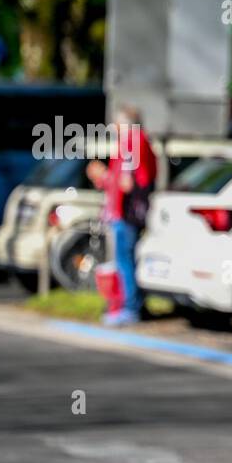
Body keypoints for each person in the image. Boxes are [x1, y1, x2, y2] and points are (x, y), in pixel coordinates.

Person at [86, 105, 157, 326]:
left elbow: (126, 183)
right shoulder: (137, 142)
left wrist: (103, 176)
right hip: (127, 212)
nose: (114, 127)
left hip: (126, 213)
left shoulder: (132, 141)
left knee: (125, 261)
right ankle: (131, 304)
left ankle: (129, 308)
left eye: (117, 122)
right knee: (126, 260)